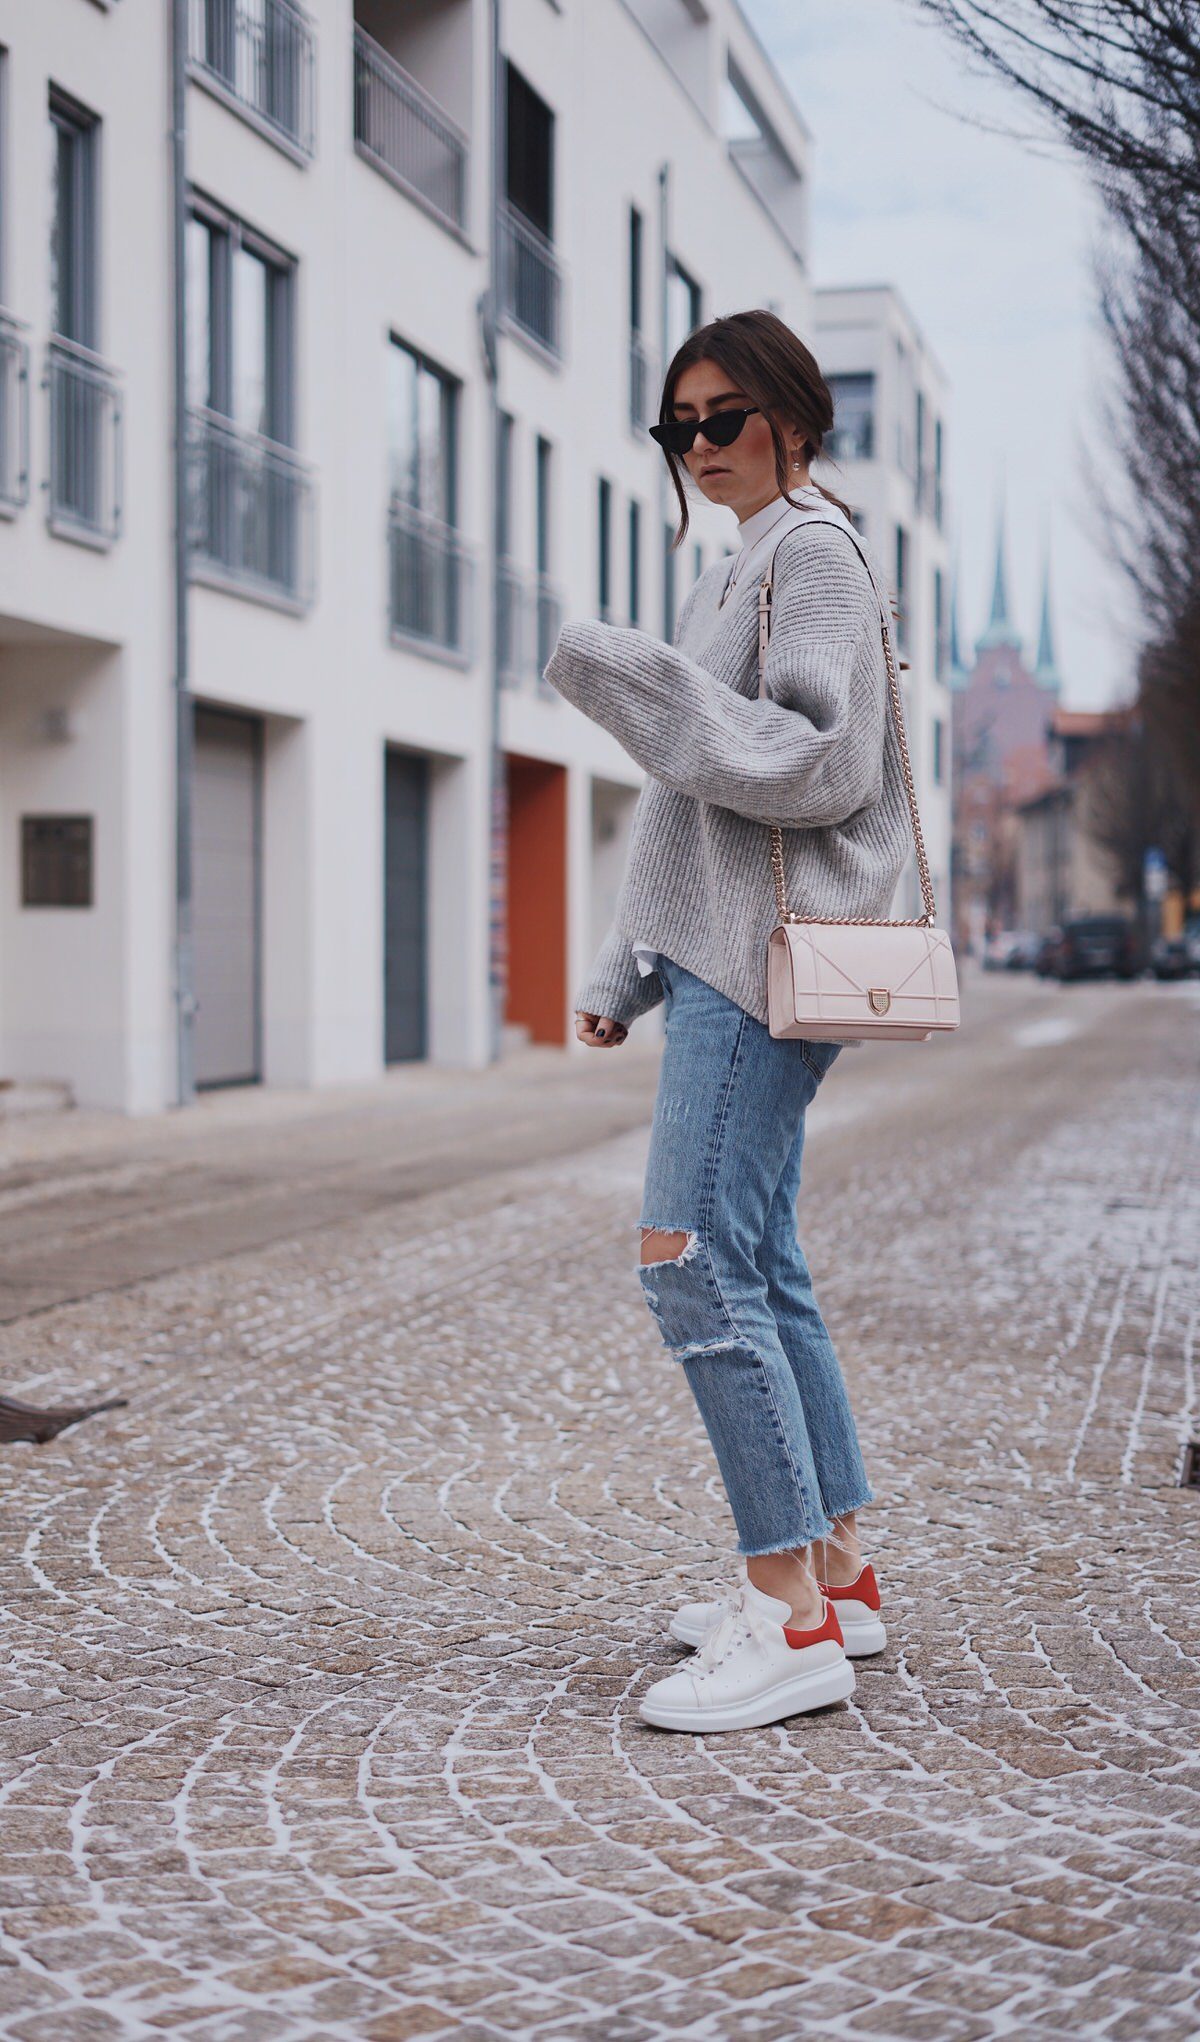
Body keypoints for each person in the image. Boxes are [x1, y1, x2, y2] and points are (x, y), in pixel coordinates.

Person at [543, 308, 910, 1734]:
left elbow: (823, 762)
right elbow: (698, 803)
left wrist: (631, 677)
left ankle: (788, 1621)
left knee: (689, 1258)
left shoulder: (809, 552)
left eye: (723, 417)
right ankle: (835, 1572)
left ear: (792, 419)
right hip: (721, 961)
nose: (699, 444)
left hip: (762, 972)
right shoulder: (747, 561)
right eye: (677, 425)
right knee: (761, 1258)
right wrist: (625, 969)